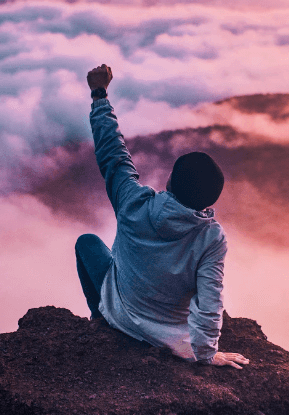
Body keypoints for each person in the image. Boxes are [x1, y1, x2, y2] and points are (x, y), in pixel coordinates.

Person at [75, 64, 249, 370]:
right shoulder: (211, 237)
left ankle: (99, 317)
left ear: (170, 182)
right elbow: (211, 303)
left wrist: (99, 95)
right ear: (210, 199)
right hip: (170, 339)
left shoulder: (133, 202)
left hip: (121, 315)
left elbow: (113, 155)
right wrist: (207, 354)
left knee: (87, 243)